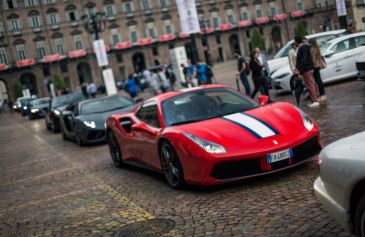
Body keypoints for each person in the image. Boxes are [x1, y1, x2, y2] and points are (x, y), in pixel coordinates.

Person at [295, 36, 319, 108]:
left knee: (310, 85)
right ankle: (314, 100)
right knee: (311, 84)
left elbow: (303, 60)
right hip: (309, 68)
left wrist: (300, 69)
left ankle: (315, 101)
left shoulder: (303, 48)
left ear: (297, 42)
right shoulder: (306, 47)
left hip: (306, 69)